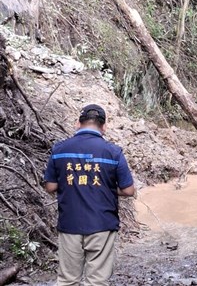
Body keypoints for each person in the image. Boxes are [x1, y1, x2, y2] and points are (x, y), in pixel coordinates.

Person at [44, 104, 135, 286]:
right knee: (97, 281)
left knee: (68, 280)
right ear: (104, 127)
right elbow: (128, 190)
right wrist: (107, 185)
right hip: (102, 224)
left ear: (78, 123)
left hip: (70, 224)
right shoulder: (113, 152)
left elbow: (51, 186)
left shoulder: (60, 150)